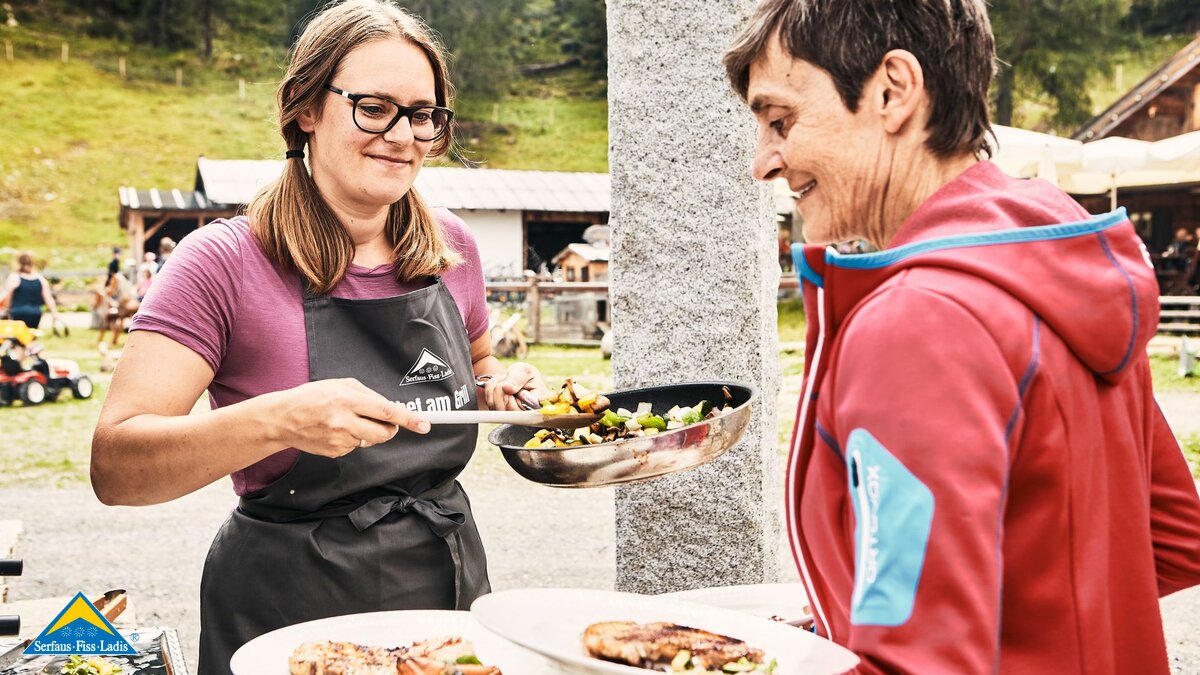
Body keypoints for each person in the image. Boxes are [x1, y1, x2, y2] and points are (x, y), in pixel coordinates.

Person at [725, 1, 1200, 673]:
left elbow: (915, 662)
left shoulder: (918, 324)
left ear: (893, 91)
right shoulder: (1055, 260)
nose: (763, 162)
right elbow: (1172, 540)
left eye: (780, 121)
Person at [90, 2, 550, 673]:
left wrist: (507, 384)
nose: (403, 134)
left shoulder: (453, 247)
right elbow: (116, 466)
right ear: (305, 107)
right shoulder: (220, 262)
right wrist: (280, 418)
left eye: (423, 113)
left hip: (444, 608)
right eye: (373, 106)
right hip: (285, 614)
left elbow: (475, 370)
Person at [2, 252, 59, 330]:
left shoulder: (14, 277)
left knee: (17, 338)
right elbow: (48, 298)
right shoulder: (40, 278)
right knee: (31, 336)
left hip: (18, 313)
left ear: (18, 262)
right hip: (35, 313)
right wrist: (54, 314)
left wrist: (7, 308)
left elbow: (7, 295)